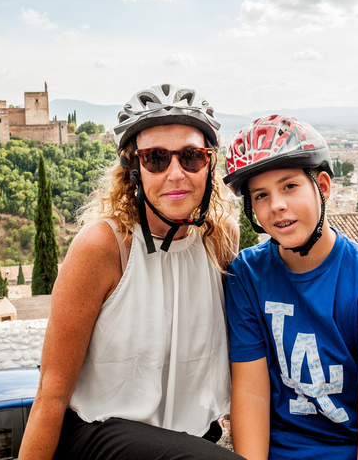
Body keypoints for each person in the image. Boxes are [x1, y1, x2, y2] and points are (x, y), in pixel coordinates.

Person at [19, 83, 242, 460]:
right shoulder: (104, 247)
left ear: (210, 164)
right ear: (134, 168)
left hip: (189, 441)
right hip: (101, 438)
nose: (176, 174)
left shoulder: (220, 239)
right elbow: (52, 393)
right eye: (156, 158)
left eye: (191, 157)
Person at [222, 115, 358, 460]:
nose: (277, 206)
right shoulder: (247, 276)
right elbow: (252, 396)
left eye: (289, 186)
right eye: (261, 195)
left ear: (323, 186)